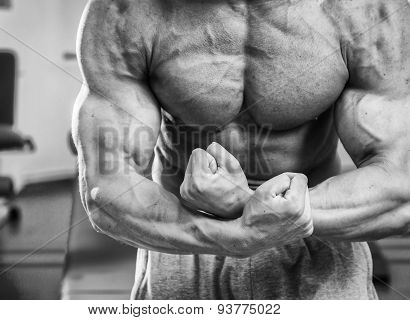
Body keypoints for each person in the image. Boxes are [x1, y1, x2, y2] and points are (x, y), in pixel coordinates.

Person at [72, 0, 410, 299]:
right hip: (182, 244)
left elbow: (401, 184)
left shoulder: (365, 11)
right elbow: (107, 189)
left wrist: (266, 210)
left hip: (318, 247)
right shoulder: (126, 11)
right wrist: (231, 234)